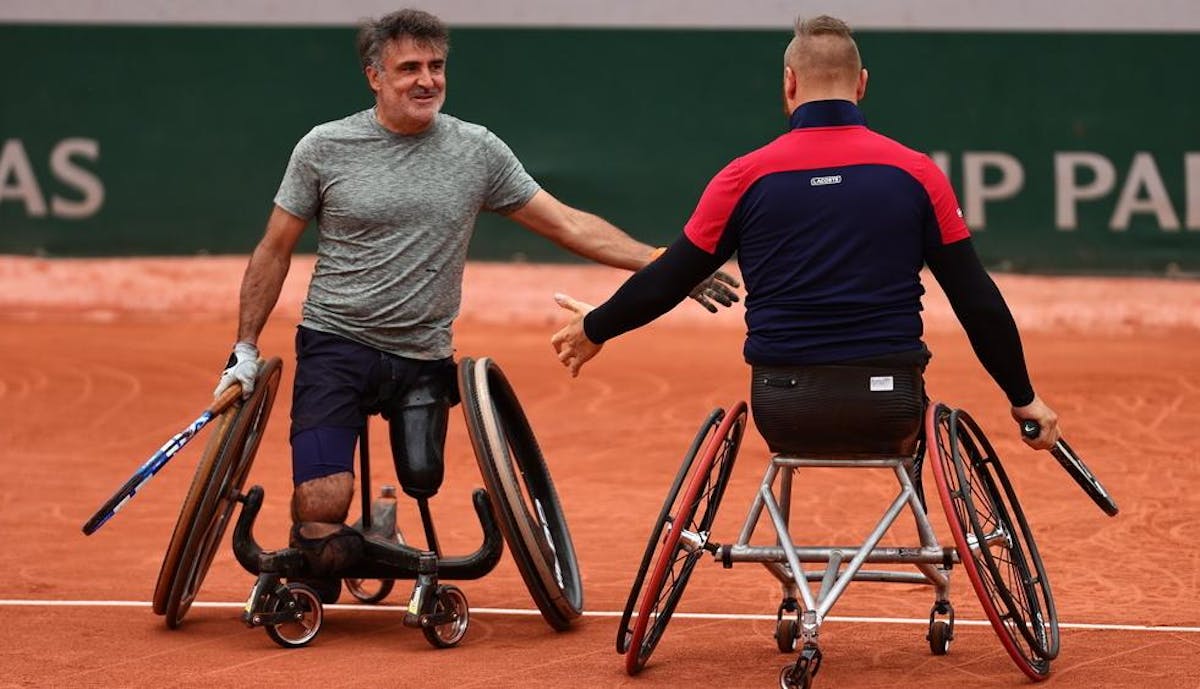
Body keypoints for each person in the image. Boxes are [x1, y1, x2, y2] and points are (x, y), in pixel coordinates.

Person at [212, 8, 739, 598]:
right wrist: (245, 348)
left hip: (422, 356)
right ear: (374, 77)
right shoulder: (324, 148)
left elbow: (566, 223)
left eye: (436, 66)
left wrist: (663, 263)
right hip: (335, 344)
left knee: (423, 476)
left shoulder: (476, 151)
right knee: (321, 510)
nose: (426, 80)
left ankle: (362, 541)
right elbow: (273, 249)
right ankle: (341, 546)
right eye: (408, 67)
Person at [551, 14, 1061, 457]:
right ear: (861, 84)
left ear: (789, 83)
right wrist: (1023, 398)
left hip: (783, 408)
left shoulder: (743, 177)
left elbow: (667, 279)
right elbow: (976, 300)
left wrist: (596, 328)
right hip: (890, 404)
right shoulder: (918, 174)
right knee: (903, 408)